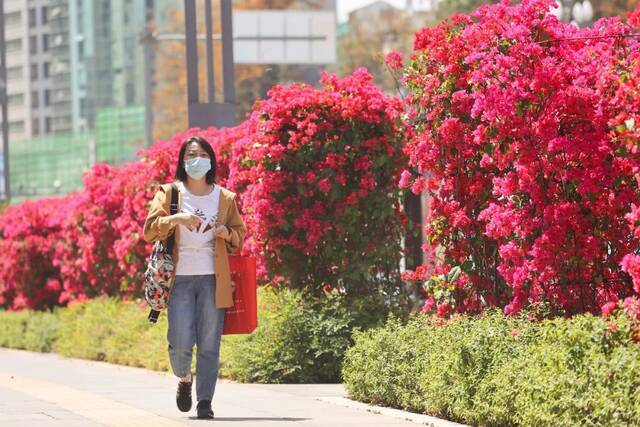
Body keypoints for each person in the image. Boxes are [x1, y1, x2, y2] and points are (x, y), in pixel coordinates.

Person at [142, 135, 247, 419]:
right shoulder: (169, 192)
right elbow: (149, 229)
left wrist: (227, 233)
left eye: (201, 154)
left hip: (214, 278)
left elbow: (240, 235)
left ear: (210, 159)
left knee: (210, 344)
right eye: (190, 155)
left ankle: (205, 402)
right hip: (180, 280)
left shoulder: (224, 197)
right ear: (182, 161)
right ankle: (184, 379)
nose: (195, 159)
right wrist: (176, 219)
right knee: (179, 341)